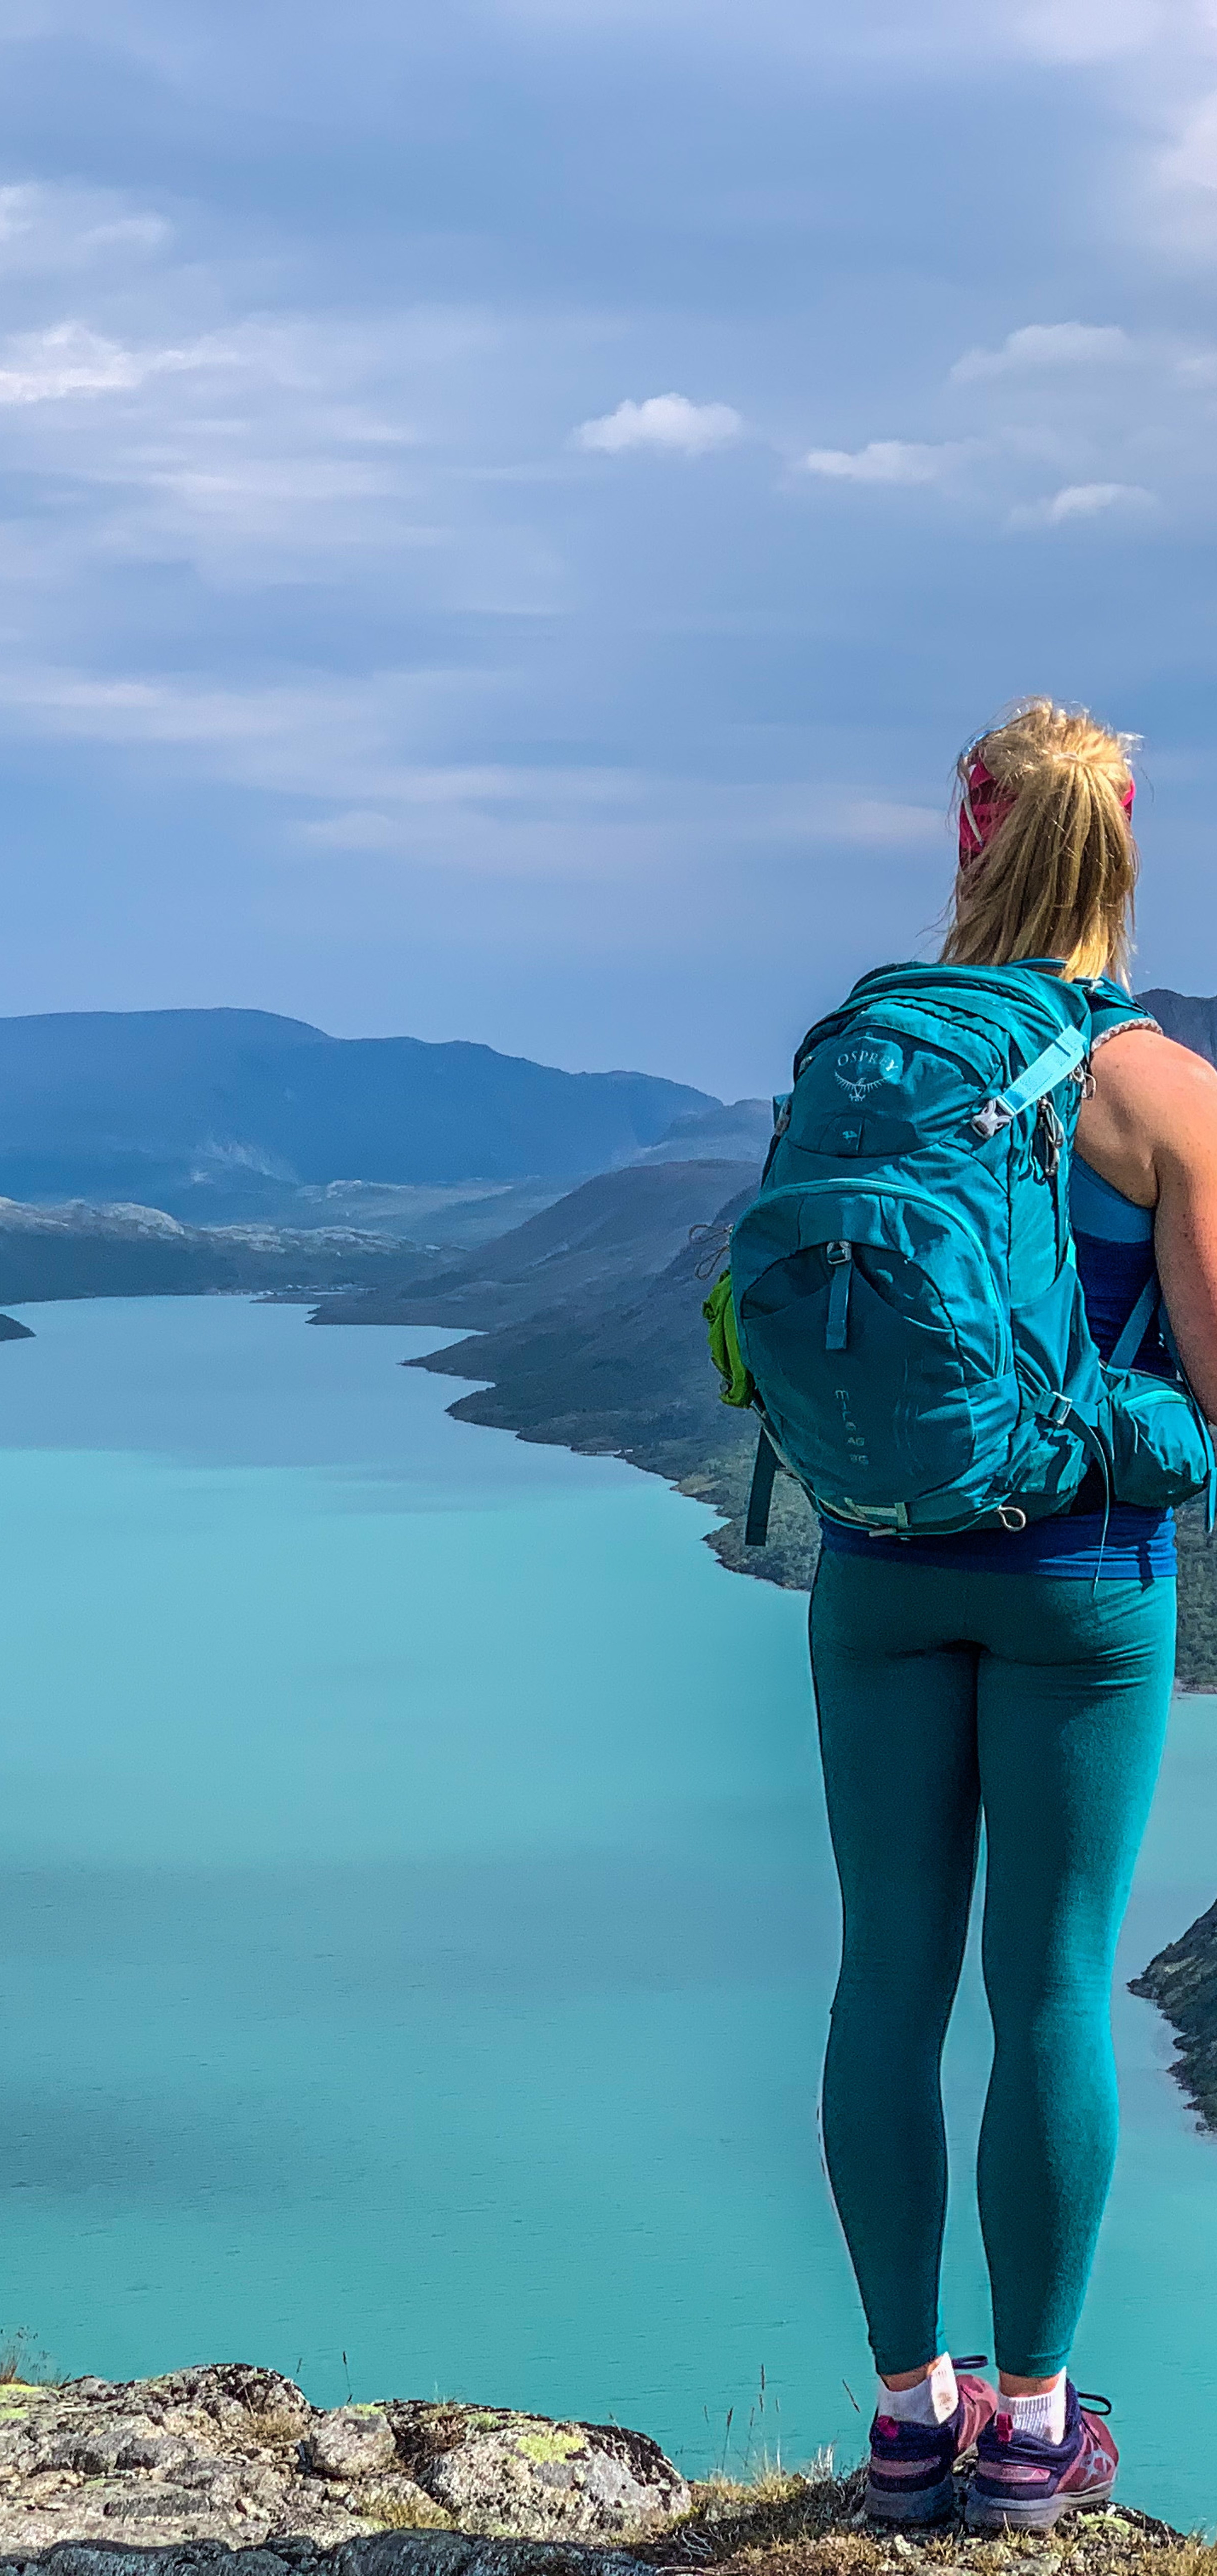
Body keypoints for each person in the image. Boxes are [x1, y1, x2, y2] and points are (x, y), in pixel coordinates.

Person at [807, 700, 1217, 2529]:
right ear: (1122, 854)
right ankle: (1037, 2430)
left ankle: (909, 2418)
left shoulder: (869, 1056)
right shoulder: (1164, 1091)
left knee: (885, 1978)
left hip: (878, 1573)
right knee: (1049, 1987)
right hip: (1082, 1590)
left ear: (965, 844)